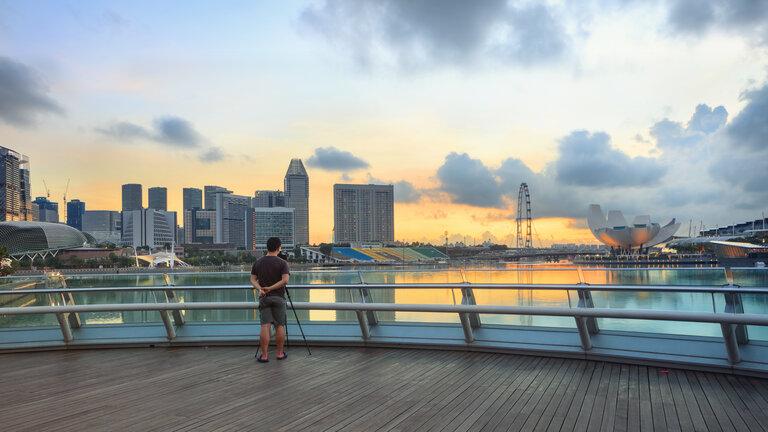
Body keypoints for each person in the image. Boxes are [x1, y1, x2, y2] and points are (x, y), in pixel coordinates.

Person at [250, 237, 290, 363]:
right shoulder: (283, 263)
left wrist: (261, 289)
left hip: (264, 298)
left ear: (267, 247)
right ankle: (279, 353)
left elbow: (252, 279)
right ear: (279, 247)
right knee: (279, 325)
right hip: (278, 298)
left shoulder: (258, 262)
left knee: (265, 326)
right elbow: (285, 280)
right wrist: (270, 288)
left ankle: (265, 355)